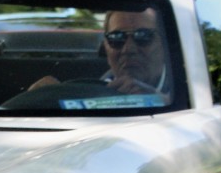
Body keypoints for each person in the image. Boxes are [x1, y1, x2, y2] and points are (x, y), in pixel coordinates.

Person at [12, 8, 170, 103]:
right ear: (105, 46)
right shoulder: (94, 88)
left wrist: (157, 100)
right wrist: (43, 97)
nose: (128, 49)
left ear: (166, 44)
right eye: (117, 38)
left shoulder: (186, 92)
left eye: (143, 36)